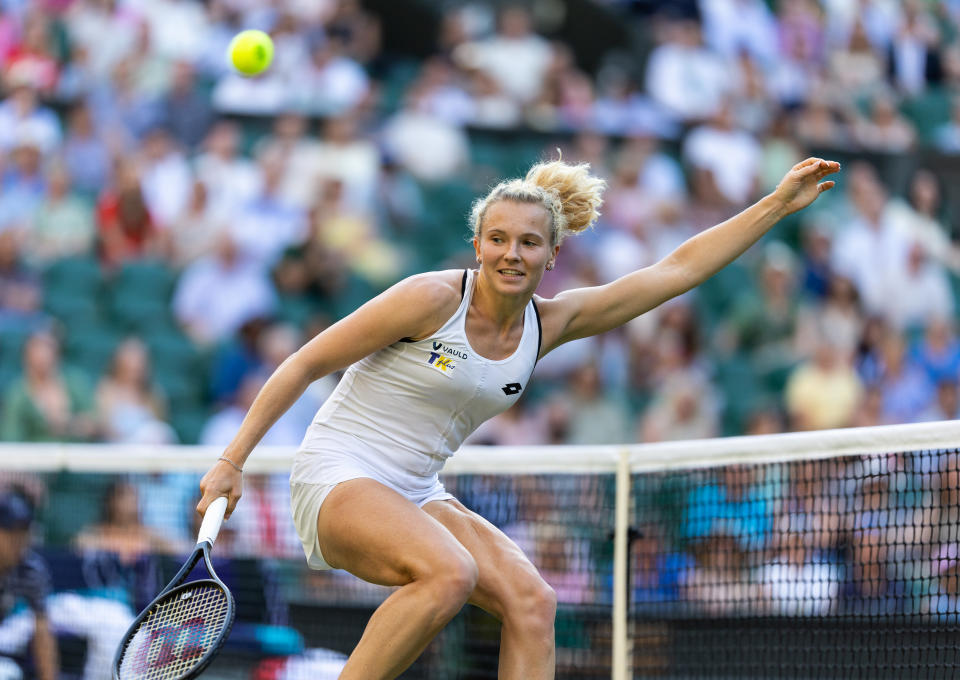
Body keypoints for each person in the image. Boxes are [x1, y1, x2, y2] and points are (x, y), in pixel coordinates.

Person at [197, 155, 840, 679]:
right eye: (498, 239)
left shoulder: (550, 324)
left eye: (529, 242)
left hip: (417, 492)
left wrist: (777, 203)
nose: (512, 253)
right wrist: (232, 461)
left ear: (550, 255)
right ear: (477, 245)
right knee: (451, 573)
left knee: (534, 602)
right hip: (337, 476)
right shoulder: (429, 297)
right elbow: (302, 364)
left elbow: (676, 269)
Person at [0, 492, 57, 680]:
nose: (19, 540)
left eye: (23, 531)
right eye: (11, 532)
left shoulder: (31, 569)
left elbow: (42, 630)